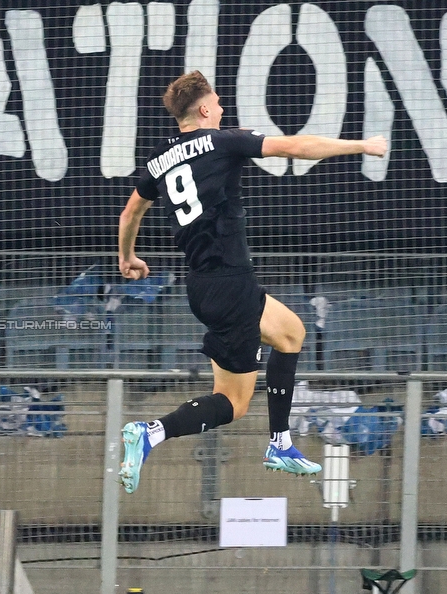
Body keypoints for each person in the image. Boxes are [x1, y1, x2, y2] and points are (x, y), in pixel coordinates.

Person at [117, 71, 387, 494]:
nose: (222, 109)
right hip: (230, 282)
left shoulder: (157, 160)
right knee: (262, 370)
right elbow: (295, 146)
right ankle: (161, 433)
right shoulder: (223, 141)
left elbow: (129, 214)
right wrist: (361, 146)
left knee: (261, 366)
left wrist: (127, 256)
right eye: (219, 103)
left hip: (202, 288)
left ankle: (265, 441)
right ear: (204, 109)